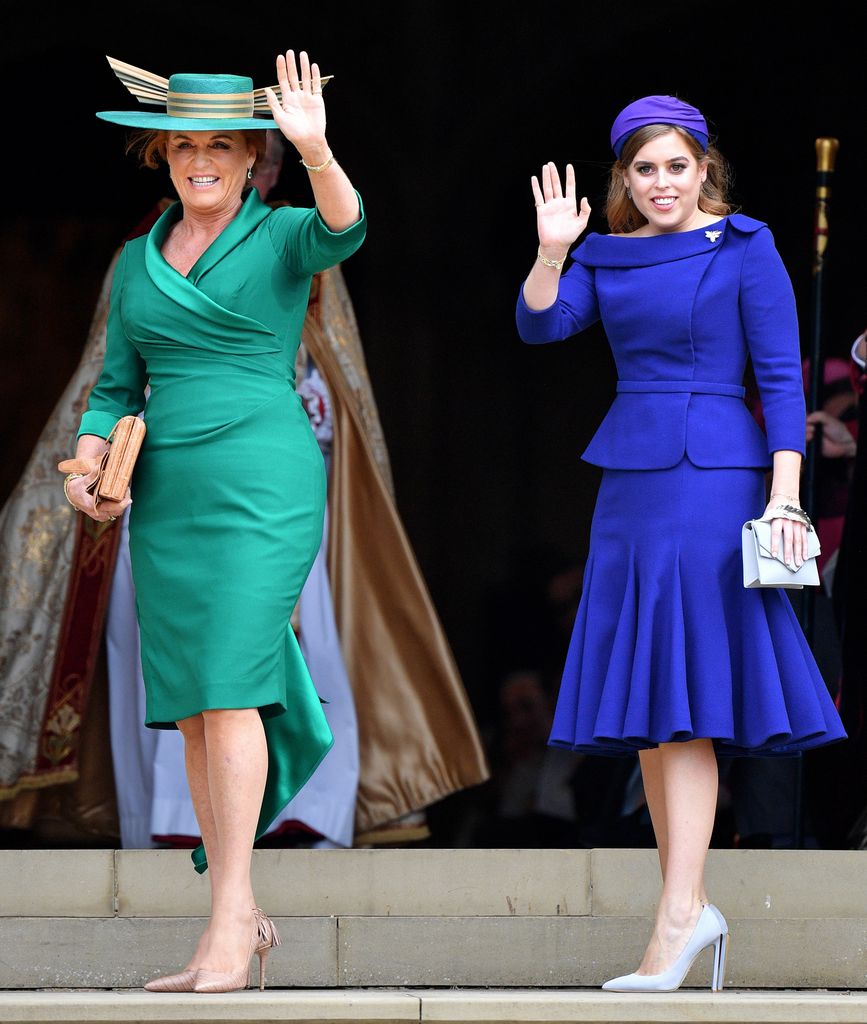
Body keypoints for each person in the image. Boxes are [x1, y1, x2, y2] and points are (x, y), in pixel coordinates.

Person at [515, 94, 846, 993]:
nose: (659, 182)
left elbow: (779, 380)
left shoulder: (747, 247)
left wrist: (785, 498)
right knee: (653, 701)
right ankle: (684, 906)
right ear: (624, 178)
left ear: (704, 167)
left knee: (687, 692)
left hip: (716, 480)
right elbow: (541, 324)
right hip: (629, 483)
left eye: (674, 165)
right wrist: (550, 251)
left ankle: (678, 916)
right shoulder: (604, 254)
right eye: (642, 168)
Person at [62, 51, 365, 994]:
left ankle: (233, 919)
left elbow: (346, 230)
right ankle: (230, 921)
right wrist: (85, 464)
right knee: (195, 706)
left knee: (232, 687)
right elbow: (115, 387)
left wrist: (316, 151)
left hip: (263, 481)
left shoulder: (280, 236)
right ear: (165, 154)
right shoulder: (135, 261)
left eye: (220, 147)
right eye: (184, 144)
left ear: (247, 158)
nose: (201, 160)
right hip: (169, 496)